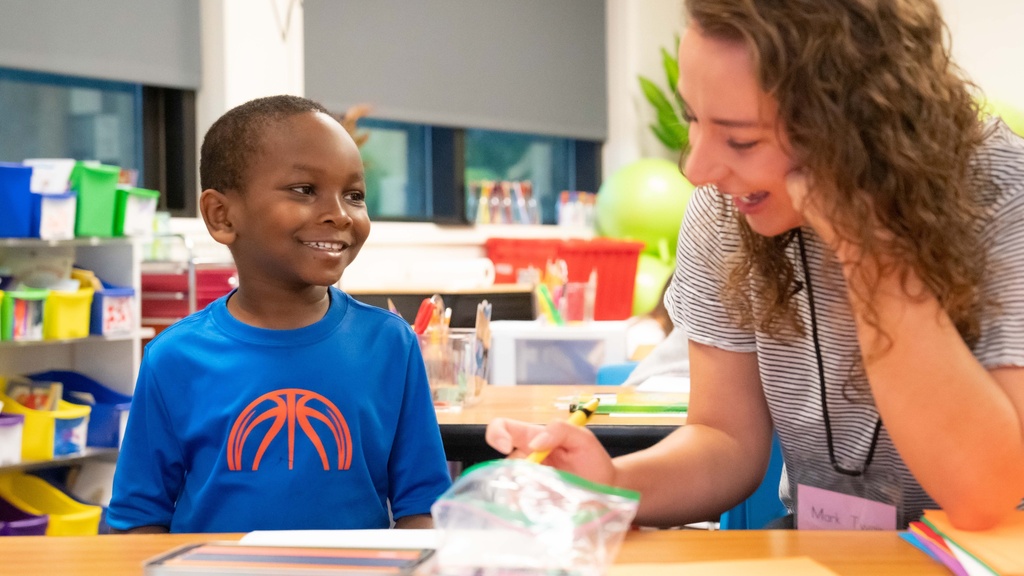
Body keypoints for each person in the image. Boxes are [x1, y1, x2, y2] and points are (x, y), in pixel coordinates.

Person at [487, 0, 1024, 531]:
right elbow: (724, 440)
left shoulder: (1004, 196)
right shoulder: (730, 208)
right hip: (823, 549)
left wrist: (867, 250)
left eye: (741, 140)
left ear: (863, 126)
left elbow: (983, 498)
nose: (697, 169)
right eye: (692, 118)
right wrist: (607, 485)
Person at [107, 95, 452, 533]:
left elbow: (424, 506)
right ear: (221, 215)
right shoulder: (174, 357)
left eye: (354, 195)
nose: (340, 215)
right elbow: (138, 519)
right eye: (305, 190)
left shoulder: (389, 343)